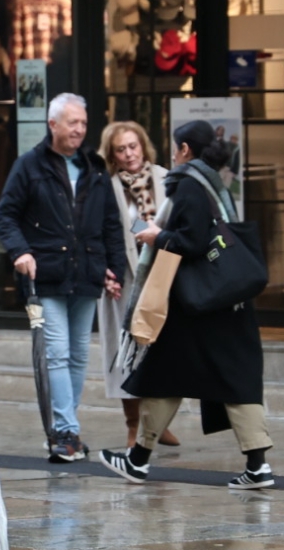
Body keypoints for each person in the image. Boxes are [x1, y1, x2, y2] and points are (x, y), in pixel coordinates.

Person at [112, 120, 274, 489]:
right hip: (228, 300)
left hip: (200, 304)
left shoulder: (188, 185)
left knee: (167, 373)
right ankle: (257, 464)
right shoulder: (216, 184)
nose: (171, 153)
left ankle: (138, 459)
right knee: (235, 380)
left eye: (175, 147)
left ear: (185, 149)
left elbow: (194, 241)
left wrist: (156, 235)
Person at [0, 92, 127, 461]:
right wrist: (20, 251)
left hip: (87, 272)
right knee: (56, 354)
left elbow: (111, 223)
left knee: (79, 354)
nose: (80, 130)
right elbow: (5, 215)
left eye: (83, 123)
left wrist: (113, 269)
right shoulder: (29, 165)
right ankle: (65, 430)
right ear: (53, 124)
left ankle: (65, 427)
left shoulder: (95, 168)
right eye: (73, 123)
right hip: (46, 275)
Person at [95, 121, 178, 452]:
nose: (129, 154)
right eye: (121, 148)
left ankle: (157, 424)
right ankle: (133, 425)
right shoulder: (107, 185)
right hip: (126, 276)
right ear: (112, 155)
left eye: (133, 146)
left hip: (165, 274)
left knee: (163, 351)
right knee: (125, 352)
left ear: (144, 145)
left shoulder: (165, 178)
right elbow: (111, 228)